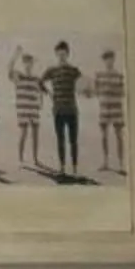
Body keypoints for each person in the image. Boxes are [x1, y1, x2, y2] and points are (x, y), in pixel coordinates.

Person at [42, 40, 84, 177]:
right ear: (56, 54)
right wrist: (48, 93)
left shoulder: (73, 70)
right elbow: (39, 82)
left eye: (64, 54)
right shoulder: (52, 70)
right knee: (60, 140)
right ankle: (62, 167)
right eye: (59, 54)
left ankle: (75, 168)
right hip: (58, 111)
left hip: (72, 110)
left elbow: (84, 84)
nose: (61, 56)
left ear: (68, 54)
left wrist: (85, 91)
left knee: (73, 141)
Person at [94, 49, 127, 175]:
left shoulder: (119, 76)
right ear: (104, 61)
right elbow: (95, 91)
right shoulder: (99, 75)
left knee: (119, 136)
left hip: (116, 109)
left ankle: (121, 164)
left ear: (114, 59)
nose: (109, 61)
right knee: (104, 136)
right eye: (106, 59)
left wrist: (112, 92)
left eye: (111, 59)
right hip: (104, 109)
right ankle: (105, 162)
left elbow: (123, 92)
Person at [11, 46, 43, 175]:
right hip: (23, 109)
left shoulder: (36, 78)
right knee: (23, 133)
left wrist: (41, 102)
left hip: (34, 109)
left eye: (30, 62)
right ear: (23, 63)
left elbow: (40, 91)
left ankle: (35, 159)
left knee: (35, 135)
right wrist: (16, 54)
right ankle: (21, 159)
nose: (28, 64)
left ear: (32, 63)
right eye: (26, 61)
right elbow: (9, 69)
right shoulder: (19, 76)